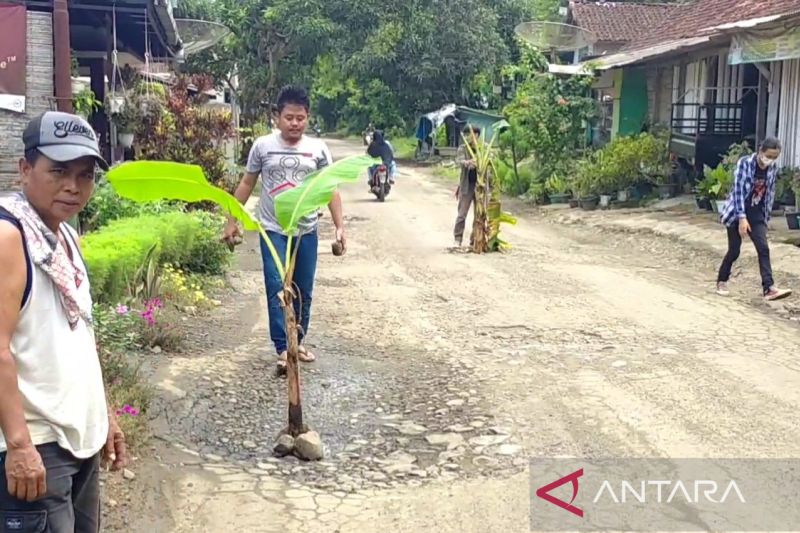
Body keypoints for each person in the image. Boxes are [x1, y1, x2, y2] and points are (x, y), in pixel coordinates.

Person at [0, 111, 127, 532]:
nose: (73, 187)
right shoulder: (10, 237)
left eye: (85, 174)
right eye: (58, 171)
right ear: (24, 169)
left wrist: (103, 413)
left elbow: (79, 334)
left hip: (77, 438)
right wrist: (18, 445)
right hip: (36, 446)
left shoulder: (64, 235)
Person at [223, 86, 346, 374]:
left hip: (306, 229)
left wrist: (340, 226)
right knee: (276, 286)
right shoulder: (263, 146)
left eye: (300, 118)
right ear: (277, 117)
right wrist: (232, 219)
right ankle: (282, 347)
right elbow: (247, 183)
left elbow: (329, 189)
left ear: (308, 117)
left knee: (304, 288)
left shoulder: (318, 149)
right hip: (272, 229)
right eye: (289, 117)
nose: (295, 123)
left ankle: (297, 340)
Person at [716, 137, 792, 301]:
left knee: (763, 249)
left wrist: (766, 218)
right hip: (738, 211)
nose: (770, 160)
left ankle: (769, 288)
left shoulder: (772, 169)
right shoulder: (745, 163)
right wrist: (742, 218)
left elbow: (769, 194)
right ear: (760, 151)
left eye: (774, 157)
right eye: (768, 155)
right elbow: (738, 192)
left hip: (756, 213)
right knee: (734, 250)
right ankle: (722, 280)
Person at [453, 125, 482, 248]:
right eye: (467, 134)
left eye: (471, 134)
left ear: (476, 135)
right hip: (467, 185)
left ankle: (475, 240)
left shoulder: (482, 149)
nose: (469, 137)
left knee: (479, 214)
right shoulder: (462, 148)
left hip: (480, 186)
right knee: (462, 214)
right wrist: (468, 162)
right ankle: (458, 238)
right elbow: (459, 161)